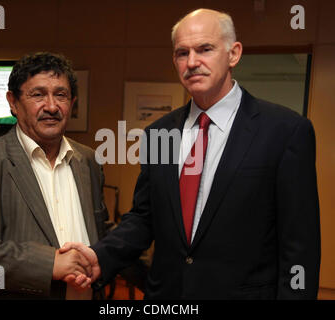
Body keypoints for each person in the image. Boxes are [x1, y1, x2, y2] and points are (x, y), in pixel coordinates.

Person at [62, 9, 321, 299]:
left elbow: (299, 246)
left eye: (205, 49)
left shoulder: (285, 131)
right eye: (182, 53)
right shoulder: (158, 133)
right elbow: (144, 217)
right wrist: (101, 257)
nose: (192, 62)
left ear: (233, 54)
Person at [0, 52, 109, 299]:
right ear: (13, 102)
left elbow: (100, 229)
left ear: (71, 103)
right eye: (38, 94)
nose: (51, 106)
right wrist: (49, 264)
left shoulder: (88, 161)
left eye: (60, 95)